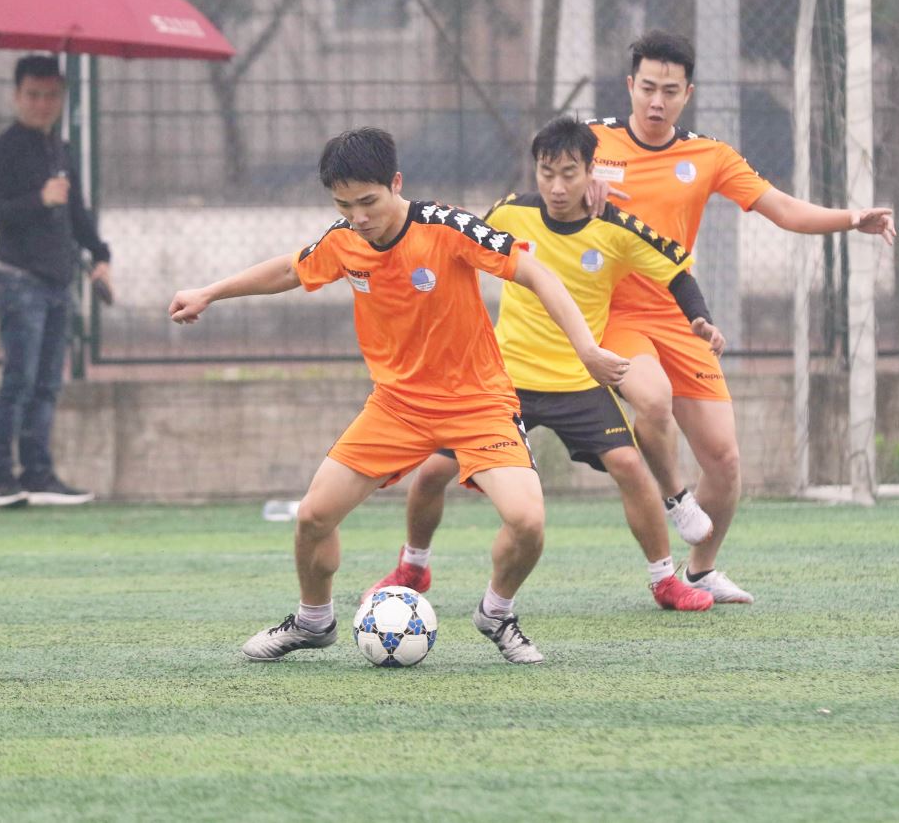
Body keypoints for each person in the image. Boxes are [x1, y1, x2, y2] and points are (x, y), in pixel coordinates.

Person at [168, 127, 628, 664]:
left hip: (478, 405)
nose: (359, 217)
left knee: (527, 522)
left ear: (396, 184)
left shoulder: (447, 227)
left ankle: (496, 613)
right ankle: (313, 621)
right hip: (396, 407)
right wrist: (209, 293)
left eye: (368, 201)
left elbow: (536, 273)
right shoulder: (345, 240)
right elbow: (291, 269)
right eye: (344, 205)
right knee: (313, 517)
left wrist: (587, 350)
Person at [585, 29, 896, 603]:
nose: (656, 102)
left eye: (669, 91)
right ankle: (676, 501)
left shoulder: (709, 156)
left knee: (725, 462)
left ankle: (699, 571)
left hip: (681, 317)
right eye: (647, 88)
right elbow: (543, 186)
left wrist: (853, 219)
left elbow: (783, 209)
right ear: (629, 86)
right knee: (653, 400)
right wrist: (575, 193)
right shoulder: (590, 144)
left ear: (688, 94)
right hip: (614, 314)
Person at [371, 117, 722, 611]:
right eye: (547, 173)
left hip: (578, 379)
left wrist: (700, 318)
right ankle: (414, 566)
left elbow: (677, 271)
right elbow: (456, 246)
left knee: (629, 466)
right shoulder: (510, 213)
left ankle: (664, 580)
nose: (557, 187)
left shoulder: (616, 228)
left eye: (569, 174)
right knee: (431, 472)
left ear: (591, 173)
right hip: (502, 380)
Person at [0, 55, 112, 507]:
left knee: (48, 383)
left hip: (59, 282)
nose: (42, 104)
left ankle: (38, 474)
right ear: (17, 95)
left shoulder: (60, 150)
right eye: (33, 95)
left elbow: (77, 212)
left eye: (51, 95)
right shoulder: (2, 151)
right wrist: (40, 198)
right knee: (19, 379)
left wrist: (100, 254)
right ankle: (0, 477)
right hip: (19, 282)